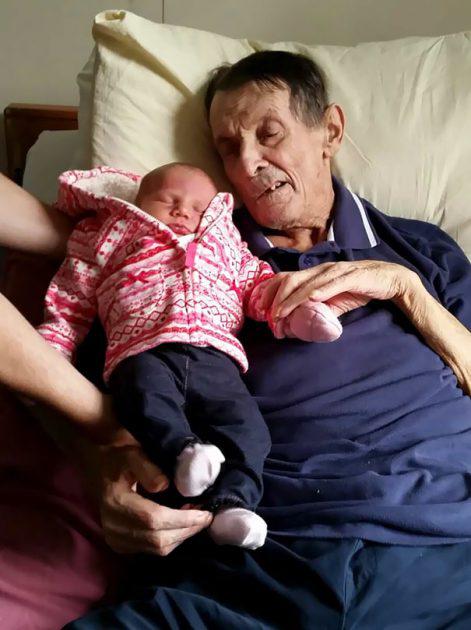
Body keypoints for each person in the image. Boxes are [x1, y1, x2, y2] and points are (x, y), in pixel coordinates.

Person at [1, 49, 471, 627]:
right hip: (252, 557)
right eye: (227, 147)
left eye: (269, 135)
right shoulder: (177, 251)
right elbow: (63, 381)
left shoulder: (419, 248)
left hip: (443, 550)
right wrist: (102, 472)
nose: (247, 164)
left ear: (330, 131)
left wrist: (405, 288)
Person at [37, 162, 340, 551]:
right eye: (168, 200)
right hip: (140, 347)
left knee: (248, 429)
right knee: (143, 401)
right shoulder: (110, 232)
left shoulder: (224, 242)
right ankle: (183, 453)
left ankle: (233, 506)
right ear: (137, 201)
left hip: (214, 356)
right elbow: (71, 294)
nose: (182, 212)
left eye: (198, 208)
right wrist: (55, 345)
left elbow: (257, 284)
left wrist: (294, 314)